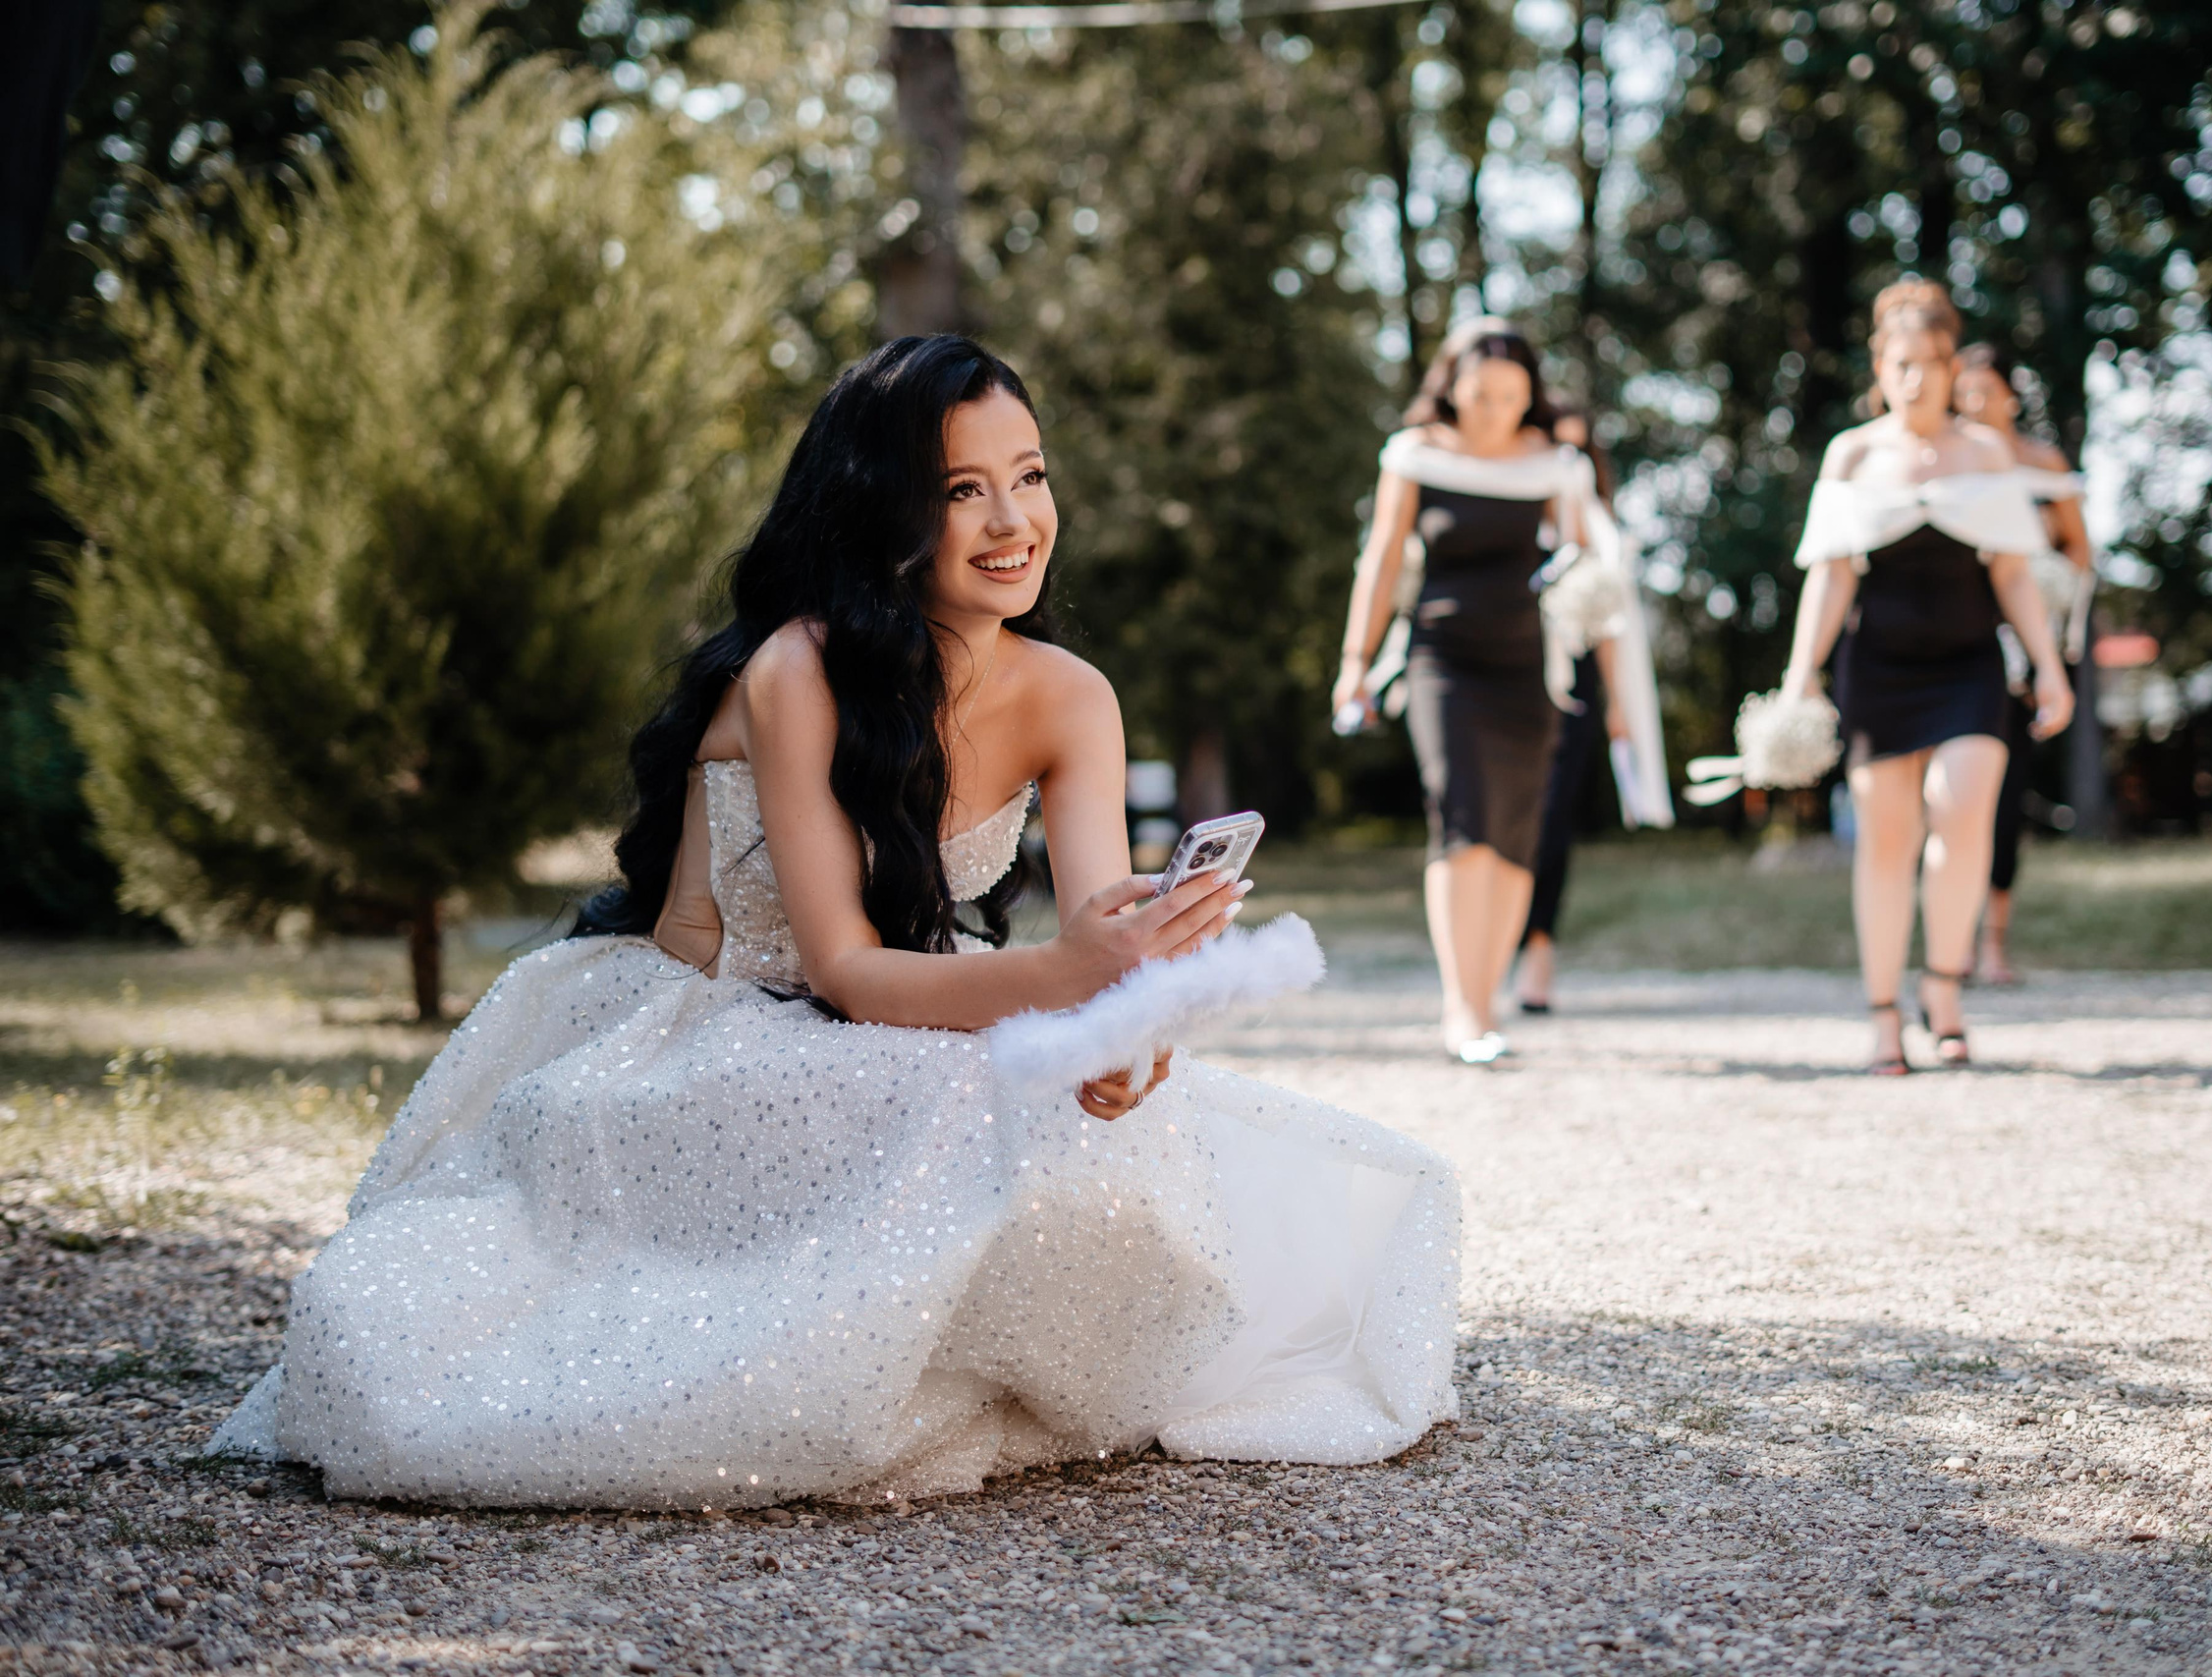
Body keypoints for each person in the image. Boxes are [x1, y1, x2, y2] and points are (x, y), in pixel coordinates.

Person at [208, 337, 1464, 1507]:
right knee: (950, 1114)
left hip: (929, 1004)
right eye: (962, 489)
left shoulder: (1072, 696)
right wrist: (1069, 975)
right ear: (882, 508)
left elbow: (1091, 943)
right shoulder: (794, 670)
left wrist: (1134, 1029)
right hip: (710, 1027)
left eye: (1027, 477)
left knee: (1176, 1146)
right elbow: (848, 971)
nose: (1013, 521)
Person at [1776, 282, 2074, 1073]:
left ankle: (1943, 985)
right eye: (1902, 363)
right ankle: (1883, 1015)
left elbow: (2014, 572)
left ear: (1951, 367)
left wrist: (2048, 666)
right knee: (1887, 839)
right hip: (1878, 667)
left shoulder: (1986, 453)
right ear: (1880, 364)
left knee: (1964, 806)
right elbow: (1830, 577)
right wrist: (1800, 676)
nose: (1917, 379)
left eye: (1933, 363)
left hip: (1969, 664)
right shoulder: (1853, 453)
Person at [1333, 319, 1597, 1062]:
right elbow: (1381, 561)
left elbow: (1578, 560)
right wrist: (1355, 659)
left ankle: (1489, 1003)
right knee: (1459, 810)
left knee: (1515, 833)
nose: (1492, 409)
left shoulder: (1557, 464)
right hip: (1441, 659)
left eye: (1510, 396)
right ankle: (1459, 1005)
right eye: (1480, 394)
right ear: (1451, 387)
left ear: (1531, 396)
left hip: (1528, 667)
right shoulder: (1415, 456)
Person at [1511, 415, 1675, 1012]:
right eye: (1560, 444)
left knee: (1552, 821)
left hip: (1574, 688)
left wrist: (1618, 710)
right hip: (1510, 680)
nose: (1570, 458)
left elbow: (1610, 623)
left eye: (1580, 447)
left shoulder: (1600, 532)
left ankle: (1538, 950)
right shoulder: (1513, 513)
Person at [1953, 345, 2095, 985]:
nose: (1974, 402)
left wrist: (2048, 602)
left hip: (2023, 658)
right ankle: (1947, 939)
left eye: (1985, 390)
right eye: (1965, 391)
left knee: (2004, 803)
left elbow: (2080, 555)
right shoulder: (1947, 456)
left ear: (2012, 394)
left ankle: (1993, 944)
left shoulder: (2044, 464)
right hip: (1957, 643)